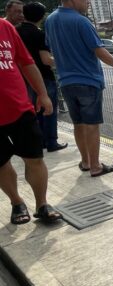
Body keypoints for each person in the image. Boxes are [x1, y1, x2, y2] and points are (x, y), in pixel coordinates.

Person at [45, 0, 113, 177]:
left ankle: (85, 162)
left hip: (66, 81)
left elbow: (51, 48)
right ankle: (96, 166)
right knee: (91, 125)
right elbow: (99, 50)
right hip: (88, 81)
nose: (89, 2)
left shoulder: (50, 20)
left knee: (78, 124)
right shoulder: (81, 21)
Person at [0, 18, 63, 224]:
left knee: (35, 158)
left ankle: (42, 204)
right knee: (1, 163)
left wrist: (42, 94)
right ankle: (17, 202)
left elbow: (26, 62)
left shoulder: (5, 26)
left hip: (19, 108)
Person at [17, 1, 67, 152]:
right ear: (41, 16)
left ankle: (39, 141)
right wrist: (60, 61)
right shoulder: (38, 34)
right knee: (49, 110)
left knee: (33, 110)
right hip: (43, 77)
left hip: (23, 78)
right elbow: (46, 60)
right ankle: (51, 142)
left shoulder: (15, 31)